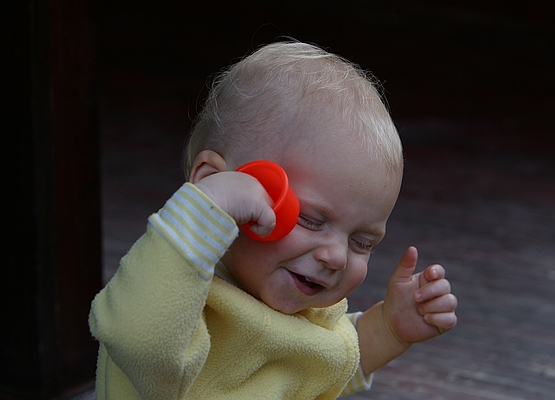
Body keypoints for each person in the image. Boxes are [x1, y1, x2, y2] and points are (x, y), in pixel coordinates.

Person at [89, 40, 457, 399]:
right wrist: (202, 210)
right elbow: (139, 340)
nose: (337, 257)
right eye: (312, 220)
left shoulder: (299, 307)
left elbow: (316, 366)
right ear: (214, 187)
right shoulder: (170, 294)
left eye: (363, 243)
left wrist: (389, 330)